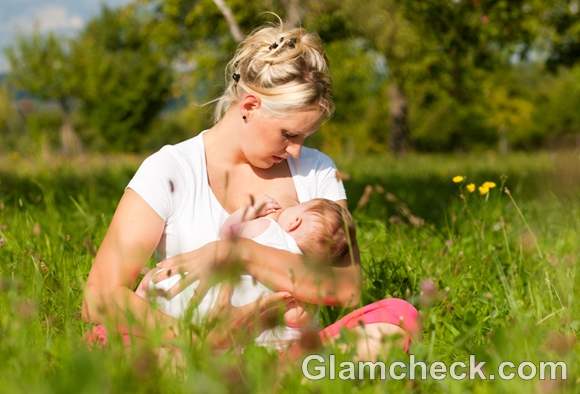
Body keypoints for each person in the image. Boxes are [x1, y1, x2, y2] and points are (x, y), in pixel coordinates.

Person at [82, 22, 419, 359]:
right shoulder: (171, 169)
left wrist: (240, 253)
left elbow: (345, 288)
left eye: (305, 137)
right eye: (288, 134)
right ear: (249, 107)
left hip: (288, 353)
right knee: (110, 340)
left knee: (396, 318)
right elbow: (100, 297)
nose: (297, 151)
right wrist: (197, 337)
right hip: (188, 346)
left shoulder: (316, 171)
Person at [136, 195, 354, 350]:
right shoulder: (304, 279)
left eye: (299, 206)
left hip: (197, 301)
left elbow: (227, 233)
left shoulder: (268, 227)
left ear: (295, 221)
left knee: (158, 282)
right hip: (240, 328)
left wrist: (250, 212)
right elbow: (296, 318)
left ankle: (143, 298)